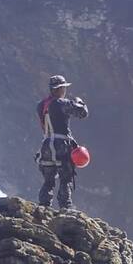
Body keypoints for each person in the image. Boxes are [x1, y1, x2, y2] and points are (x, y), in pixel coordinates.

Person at [36, 75, 88, 210]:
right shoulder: (61, 103)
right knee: (66, 177)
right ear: (60, 89)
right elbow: (82, 113)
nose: (65, 90)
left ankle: (43, 207)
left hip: (46, 146)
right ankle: (66, 207)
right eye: (64, 88)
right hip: (61, 145)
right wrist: (79, 101)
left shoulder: (40, 105)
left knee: (48, 180)